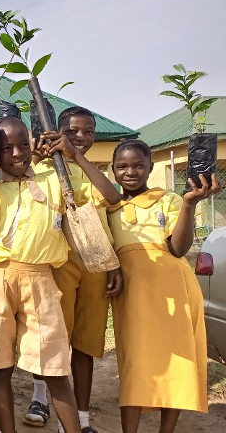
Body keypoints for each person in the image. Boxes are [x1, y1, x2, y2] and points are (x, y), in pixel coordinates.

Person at [0, 116, 120, 433]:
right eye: (7, 148)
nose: (18, 154)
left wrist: (75, 155)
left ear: (33, 143)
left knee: (53, 366)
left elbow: (112, 196)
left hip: (40, 280)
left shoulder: (55, 179)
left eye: (24, 145)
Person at [107, 139, 217, 433]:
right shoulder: (109, 207)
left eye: (138, 165)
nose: (130, 172)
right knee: (134, 365)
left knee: (176, 368)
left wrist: (189, 204)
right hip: (132, 296)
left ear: (150, 168)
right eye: (122, 166)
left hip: (173, 291)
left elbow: (178, 248)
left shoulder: (168, 200)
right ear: (113, 171)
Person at [27, 107, 123, 431]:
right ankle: (40, 398)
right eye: (73, 131)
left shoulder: (92, 170)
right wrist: (43, 158)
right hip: (59, 262)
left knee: (85, 342)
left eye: (88, 131)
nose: (81, 137)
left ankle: (80, 418)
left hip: (95, 264)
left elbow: (112, 199)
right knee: (55, 338)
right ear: (57, 132)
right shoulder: (44, 169)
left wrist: (77, 158)